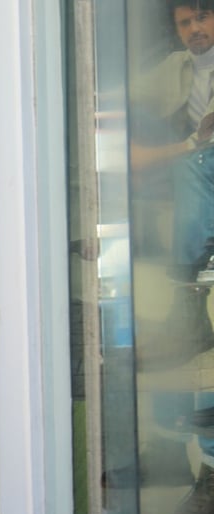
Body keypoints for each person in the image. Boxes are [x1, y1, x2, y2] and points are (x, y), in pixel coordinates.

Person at [133, 1, 214, 369]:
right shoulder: (176, 65)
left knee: (192, 165)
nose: (194, 28)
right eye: (184, 23)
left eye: (202, 17)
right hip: (199, 158)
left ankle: (187, 312)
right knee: (189, 163)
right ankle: (188, 307)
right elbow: (123, 101)